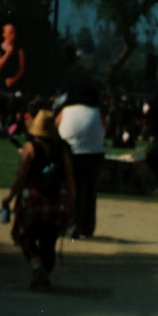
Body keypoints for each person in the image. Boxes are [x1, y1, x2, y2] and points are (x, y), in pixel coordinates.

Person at [1, 109, 74, 288]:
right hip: (57, 201)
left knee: (25, 236)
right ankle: (45, 274)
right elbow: (69, 177)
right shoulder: (62, 149)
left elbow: (20, 176)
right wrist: (71, 203)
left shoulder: (30, 147)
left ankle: (36, 264)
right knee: (49, 240)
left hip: (34, 200)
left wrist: (9, 198)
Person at [56, 84, 106, 237]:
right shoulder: (98, 112)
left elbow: (54, 126)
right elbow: (104, 130)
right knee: (90, 191)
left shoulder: (66, 111)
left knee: (73, 190)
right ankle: (87, 227)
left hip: (72, 154)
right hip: (95, 155)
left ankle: (71, 225)